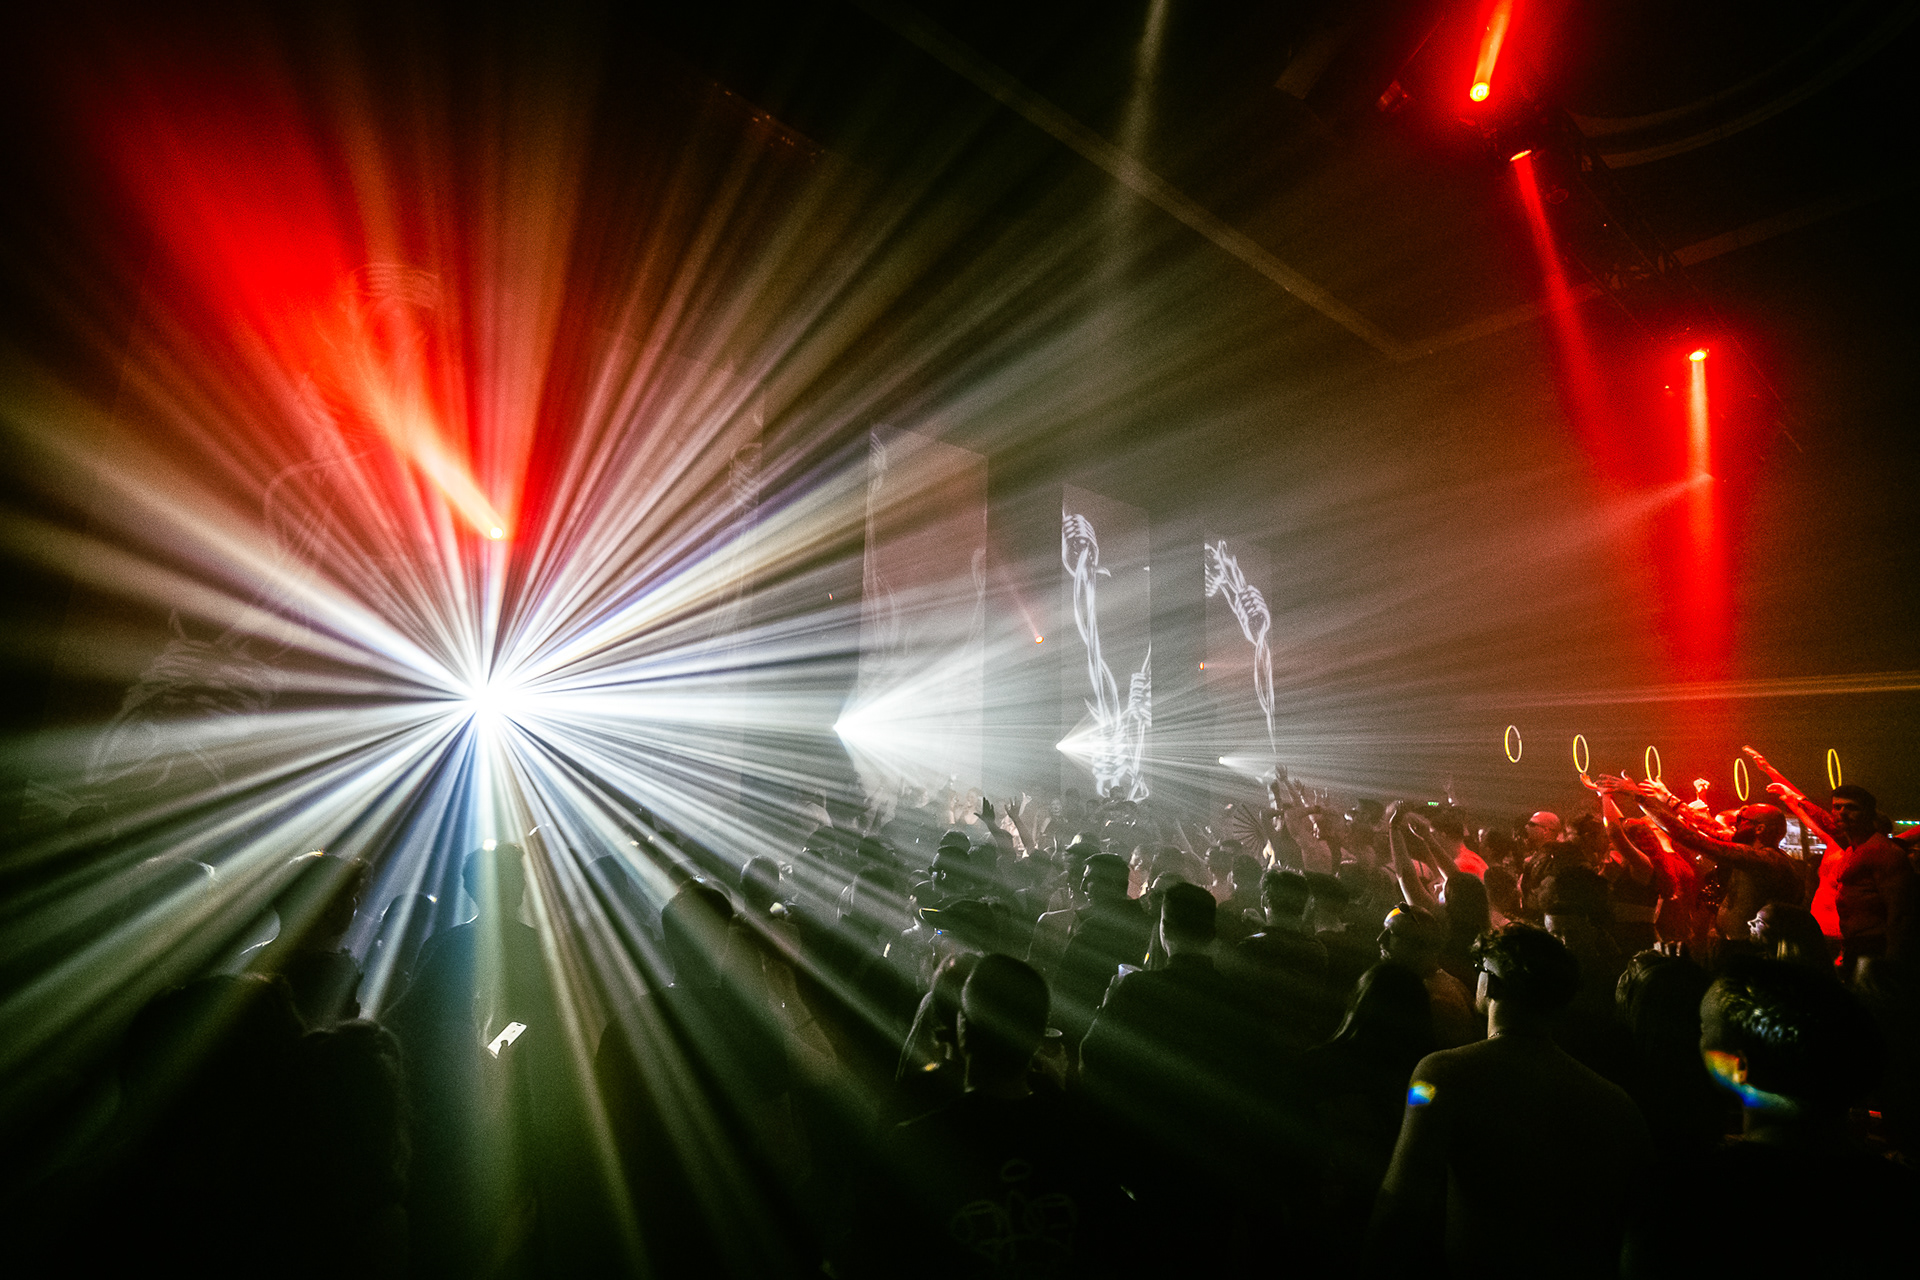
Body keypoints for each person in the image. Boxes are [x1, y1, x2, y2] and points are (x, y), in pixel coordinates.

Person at [1368, 924, 1652, 1279]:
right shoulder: (1616, 1103)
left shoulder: (1440, 1074)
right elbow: (1641, 1230)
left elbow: (1400, 1204)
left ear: (1493, 984)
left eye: (1479, 970)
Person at [1626, 960, 1915, 1275]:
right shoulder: (1897, 1197)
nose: (1697, 1040)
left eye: (1704, 1028)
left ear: (1740, 1066)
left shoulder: (1685, 1201)